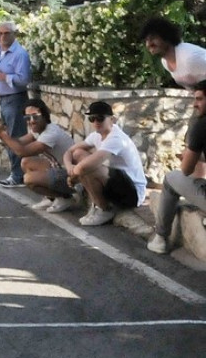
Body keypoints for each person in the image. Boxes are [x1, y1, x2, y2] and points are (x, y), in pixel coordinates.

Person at [63, 101, 147, 226]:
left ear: (112, 119)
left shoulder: (116, 138)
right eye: (92, 118)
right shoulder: (96, 135)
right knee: (78, 154)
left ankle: (104, 210)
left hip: (133, 193)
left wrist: (73, 177)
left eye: (100, 118)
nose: (96, 122)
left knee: (89, 167)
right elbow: (70, 152)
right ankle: (96, 204)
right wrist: (69, 168)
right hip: (116, 183)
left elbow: (85, 167)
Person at [148, 80, 206, 253]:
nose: (195, 104)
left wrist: (189, 154)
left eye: (200, 99)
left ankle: (160, 238)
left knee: (171, 179)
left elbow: (186, 170)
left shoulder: (201, 126)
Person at [0, 98, 76, 213]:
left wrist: (2, 134)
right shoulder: (37, 130)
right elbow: (19, 142)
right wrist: (3, 137)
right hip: (58, 168)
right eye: (27, 117)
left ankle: (65, 198)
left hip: (72, 176)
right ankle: (51, 198)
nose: (31, 121)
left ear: (44, 116)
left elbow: (22, 151)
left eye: (35, 116)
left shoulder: (51, 132)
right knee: (26, 162)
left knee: (29, 179)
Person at [0, 21, 32, 188]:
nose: (2, 37)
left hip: (16, 99)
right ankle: (16, 173)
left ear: (14, 34)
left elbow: (23, 80)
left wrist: (2, 76)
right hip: (3, 99)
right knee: (7, 137)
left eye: (6, 33)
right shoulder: (0, 52)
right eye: (0, 34)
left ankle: (18, 175)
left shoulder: (20, 54)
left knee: (15, 137)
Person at [140, 16, 206, 89]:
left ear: (167, 37)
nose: (149, 44)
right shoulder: (165, 62)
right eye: (146, 40)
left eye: (153, 38)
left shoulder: (190, 58)